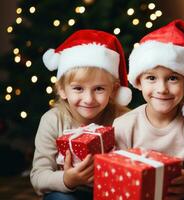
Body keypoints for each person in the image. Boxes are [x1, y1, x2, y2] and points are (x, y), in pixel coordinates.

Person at [113, 19, 184, 199]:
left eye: (173, 78)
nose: (162, 89)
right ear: (138, 82)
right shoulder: (124, 125)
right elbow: (118, 175)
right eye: (151, 78)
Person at [30, 29, 132, 200]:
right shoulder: (53, 120)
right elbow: (38, 177)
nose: (88, 99)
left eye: (99, 89)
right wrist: (67, 179)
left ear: (113, 91)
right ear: (62, 89)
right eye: (78, 88)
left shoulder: (123, 119)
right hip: (69, 192)